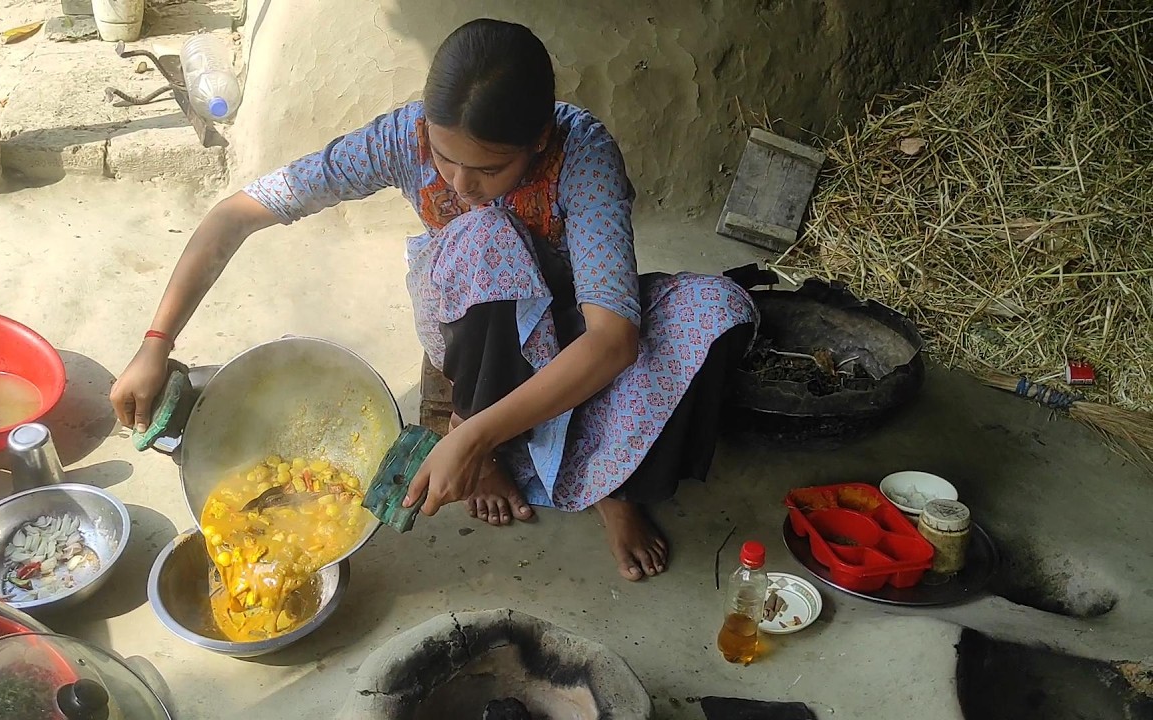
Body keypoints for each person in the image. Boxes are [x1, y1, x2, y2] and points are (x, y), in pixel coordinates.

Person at [109, 18, 757, 581]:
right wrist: (154, 344)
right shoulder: (402, 139)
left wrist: (468, 437)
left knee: (716, 308)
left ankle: (608, 485)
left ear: (537, 140)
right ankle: (496, 453)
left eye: (490, 170)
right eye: (447, 160)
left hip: (570, 320)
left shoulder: (581, 152)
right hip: (480, 329)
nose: (463, 184)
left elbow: (612, 338)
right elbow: (236, 215)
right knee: (482, 236)